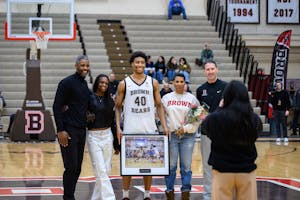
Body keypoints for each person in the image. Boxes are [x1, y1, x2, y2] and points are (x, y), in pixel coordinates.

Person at [115, 51, 169, 200]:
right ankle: (125, 194)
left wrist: (164, 126)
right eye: (137, 62)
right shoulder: (124, 83)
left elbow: (159, 105)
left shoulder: (153, 82)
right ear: (132, 64)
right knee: (128, 166)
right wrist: (118, 127)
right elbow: (118, 107)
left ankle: (147, 194)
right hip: (130, 129)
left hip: (149, 129)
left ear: (145, 64)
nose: (139, 65)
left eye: (142, 62)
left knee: (148, 165)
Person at [201, 80, 263, 200]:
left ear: (226, 96)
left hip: (222, 171)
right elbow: (256, 134)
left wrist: (219, 108)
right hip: (246, 171)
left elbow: (205, 129)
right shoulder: (253, 119)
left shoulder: (216, 118)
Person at [53, 55, 92, 200]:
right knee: (71, 167)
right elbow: (56, 106)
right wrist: (60, 130)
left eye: (87, 66)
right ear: (76, 66)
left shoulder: (84, 86)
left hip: (82, 131)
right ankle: (68, 197)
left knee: (77, 168)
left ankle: (69, 195)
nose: (85, 68)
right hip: (68, 131)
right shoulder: (66, 83)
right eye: (82, 65)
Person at [162, 73, 200, 200]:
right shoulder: (166, 98)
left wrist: (185, 128)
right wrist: (165, 128)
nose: (179, 84)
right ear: (173, 83)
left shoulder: (192, 99)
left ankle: (186, 189)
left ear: (185, 83)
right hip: (172, 135)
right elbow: (161, 116)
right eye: (176, 81)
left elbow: (197, 119)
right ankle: (169, 188)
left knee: (186, 165)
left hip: (187, 136)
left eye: (181, 81)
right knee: (172, 164)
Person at [196, 61, 227, 200]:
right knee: (207, 164)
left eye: (212, 69)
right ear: (204, 72)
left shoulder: (226, 87)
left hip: (223, 133)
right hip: (206, 133)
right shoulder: (200, 89)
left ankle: (223, 193)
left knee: (224, 162)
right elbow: (198, 112)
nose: (210, 71)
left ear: (217, 69)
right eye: (207, 69)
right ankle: (208, 194)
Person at [87, 74, 116, 200]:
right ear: (97, 83)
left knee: (105, 170)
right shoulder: (89, 97)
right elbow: (83, 113)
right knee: (100, 169)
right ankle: (110, 198)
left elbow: (112, 121)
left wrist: (117, 144)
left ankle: (96, 197)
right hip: (94, 136)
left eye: (106, 83)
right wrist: (86, 117)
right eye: (101, 82)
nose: (103, 85)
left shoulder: (109, 100)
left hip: (107, 135)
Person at [269, 81, 291, 145]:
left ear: (281, 85)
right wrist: (271, 96)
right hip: (276, 110)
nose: (278, 86)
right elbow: (272, 103)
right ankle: (278, 136)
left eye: (279, 85)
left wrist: (287, 110)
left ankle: (285, 137)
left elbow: (288, 102)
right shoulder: (274, 93)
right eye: (277, 85)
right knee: (277, 124)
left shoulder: (285, 92)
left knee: (284, 124)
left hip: (283, 110)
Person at [108, 71, 120, 154]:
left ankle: (117, 148)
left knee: (116, 132)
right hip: (108, 112)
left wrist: (116, 97)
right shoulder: (107, 84)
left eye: (113, 76)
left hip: (115, 111)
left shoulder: (118, 84)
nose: (112, 78)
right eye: (110, 77)